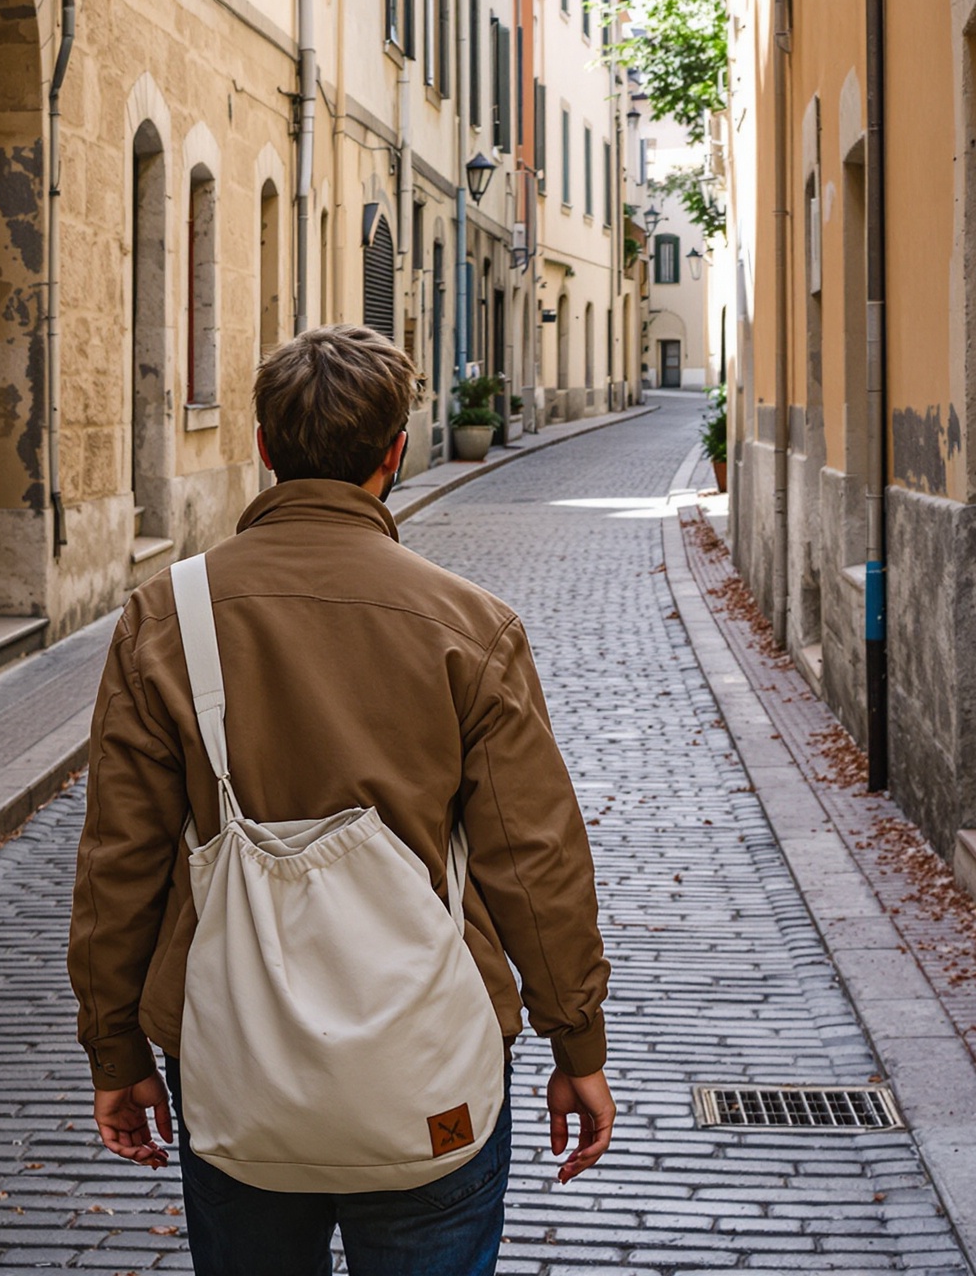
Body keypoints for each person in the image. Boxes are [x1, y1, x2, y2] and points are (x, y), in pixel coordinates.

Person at [70, 324, 615, 1274]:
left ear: (265, 451)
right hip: (427, 1068)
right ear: (394, 454)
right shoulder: (470, 628)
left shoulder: (167, 618)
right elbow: (534, 862)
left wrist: (114, 1052)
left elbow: (122, 857)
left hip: (235, 1064)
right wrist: (578, 1044)